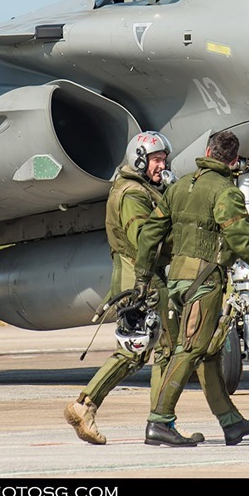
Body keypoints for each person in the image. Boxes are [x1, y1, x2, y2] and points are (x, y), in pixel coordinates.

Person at [133, 130, 249, 447]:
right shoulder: (226, 192)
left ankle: (231, 423)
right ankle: (159, 421)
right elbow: (242, 240)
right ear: (234, 160)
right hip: (203, 283)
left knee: (208, 352)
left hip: (177, 280)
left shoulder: (180, 186)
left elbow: (150, 232)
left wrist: (141, 275)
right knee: (191, 350)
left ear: (206, 151)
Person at [64, 130, 184, 446]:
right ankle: (162, 423)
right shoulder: (132, 195)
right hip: (143, 281)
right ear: (141, 160)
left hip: (136, 279)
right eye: (157, 160)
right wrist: (182, 239)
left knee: (134, 353)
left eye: (164, 159)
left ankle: (84, 405)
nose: (162, 165)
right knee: (167, 350)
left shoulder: (144, 189)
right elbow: (145, 242)